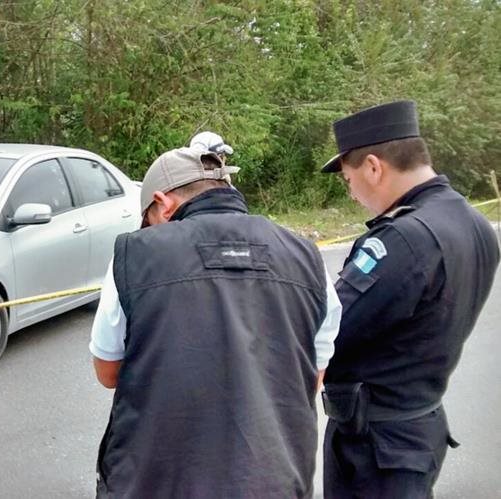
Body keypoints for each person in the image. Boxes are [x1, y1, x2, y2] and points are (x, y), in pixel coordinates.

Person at [89, 147, 342, 498]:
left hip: (155, 479)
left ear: (162, 203)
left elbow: (108, 372)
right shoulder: (308, 258)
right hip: (274, 481)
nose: (147, 230)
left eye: (148, 220)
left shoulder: (136, 253)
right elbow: (308, 379)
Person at [319, 100, 500, 498]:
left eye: (347, 180)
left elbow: (327, 329)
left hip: (375, 447)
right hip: (418, 429)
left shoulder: (401, 239)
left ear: (372, 166)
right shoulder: (474, 224)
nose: (351, 193)